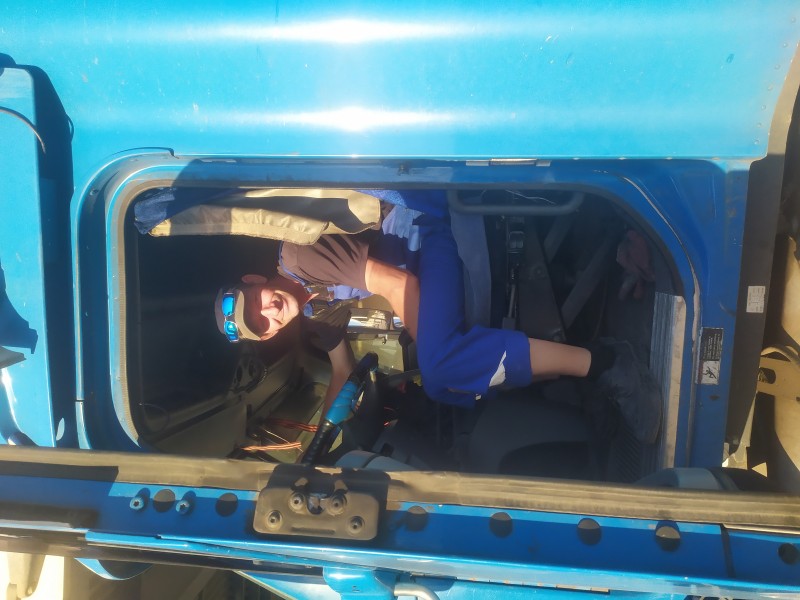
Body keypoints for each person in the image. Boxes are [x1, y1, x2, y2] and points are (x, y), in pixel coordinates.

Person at [215, 204, 662, 443]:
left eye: (258, 304)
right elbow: (341, 371)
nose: (270, 312)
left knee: (440, 365)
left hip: (428, 231)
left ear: (255, 280)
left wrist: (429, 344)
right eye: (262, 324)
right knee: (441, 384)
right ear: (271, 335)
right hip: (427, 268)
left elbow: (397, 283)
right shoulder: (316, 311)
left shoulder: (297, 257)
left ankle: (606, 364)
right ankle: (578, 378)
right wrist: (322, 444)